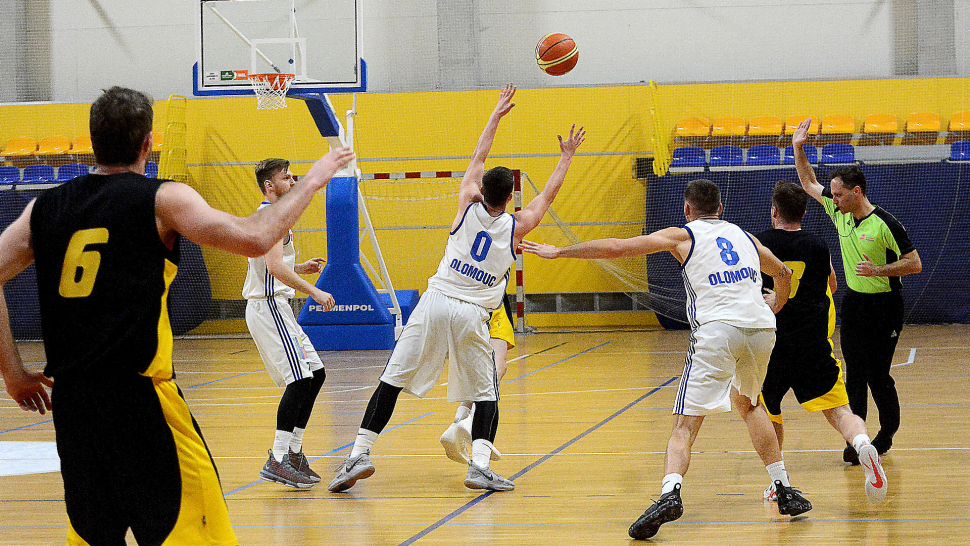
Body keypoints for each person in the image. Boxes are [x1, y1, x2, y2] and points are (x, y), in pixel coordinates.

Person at [0, 86, 354, 545]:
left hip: (74, 408)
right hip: (144, 403)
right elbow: (255, 236)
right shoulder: (162, 199)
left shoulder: (41, 209)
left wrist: (12, 372)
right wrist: (316, 178)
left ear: (93, 141)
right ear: (147, 142)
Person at [328, 83, 586, 493]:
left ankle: (358, 453)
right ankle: (479, 465)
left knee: (391, 380)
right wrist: (566, 157)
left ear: (483, 190)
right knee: (486, 393)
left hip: (433, 302)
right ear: (511, 198)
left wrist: (495, 116)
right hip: (471, 313)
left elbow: (478, 156)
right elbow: (547, 196)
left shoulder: (467, 201)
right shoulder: (519, 225)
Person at [521, 178, 812, 540]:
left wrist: (560, 252)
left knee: (684, 425)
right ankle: (783, 488)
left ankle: (669, 494)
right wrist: (777, 303)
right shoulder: (747, 237)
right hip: (761, 328)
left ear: (687, 209)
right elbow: (783, 273)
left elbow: (617, 247)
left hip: (718, 330)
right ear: (721, 209)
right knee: (751, 406)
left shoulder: (683, 235)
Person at [791, 118, 921, 463]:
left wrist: (879, 270)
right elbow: (807, 183)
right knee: (854, 375)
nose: (831, 198)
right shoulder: (839, 212)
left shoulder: (886, 224)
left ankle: (886, 435)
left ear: (855, 192)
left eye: (837, 194)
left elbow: (914, 263)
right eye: (831, 194)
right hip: (854, 304)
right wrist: (797, 146)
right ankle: (857, 442)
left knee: (878, 375)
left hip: (885, 306)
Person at [756, 180, 887, 505]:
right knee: (841, 412)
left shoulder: (758, 244)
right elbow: (831, 281)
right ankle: (862, 444)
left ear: (774, 212)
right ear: (803, 213)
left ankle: (778, 482)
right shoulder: (817, 245)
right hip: (813, 343)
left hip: (770, 346)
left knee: (767, 410)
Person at [244, 158, 336, 488]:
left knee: (316, 374)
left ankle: (294, 452)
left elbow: (277, 263)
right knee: (299, 380)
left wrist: (302, 267)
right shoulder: (270, 217)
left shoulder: (278, 216)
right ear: (270, 186)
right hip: (267, 307)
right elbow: (273, 269)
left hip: (276, 305)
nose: (293, 180)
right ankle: (279, 457)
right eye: (286, 177)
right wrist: (313, 290)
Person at [439, 292, 515, 464]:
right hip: (489, 299)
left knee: (478, 370)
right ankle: (472, 420)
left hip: (460, 304)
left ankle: (458, 422)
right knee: (497, 366)